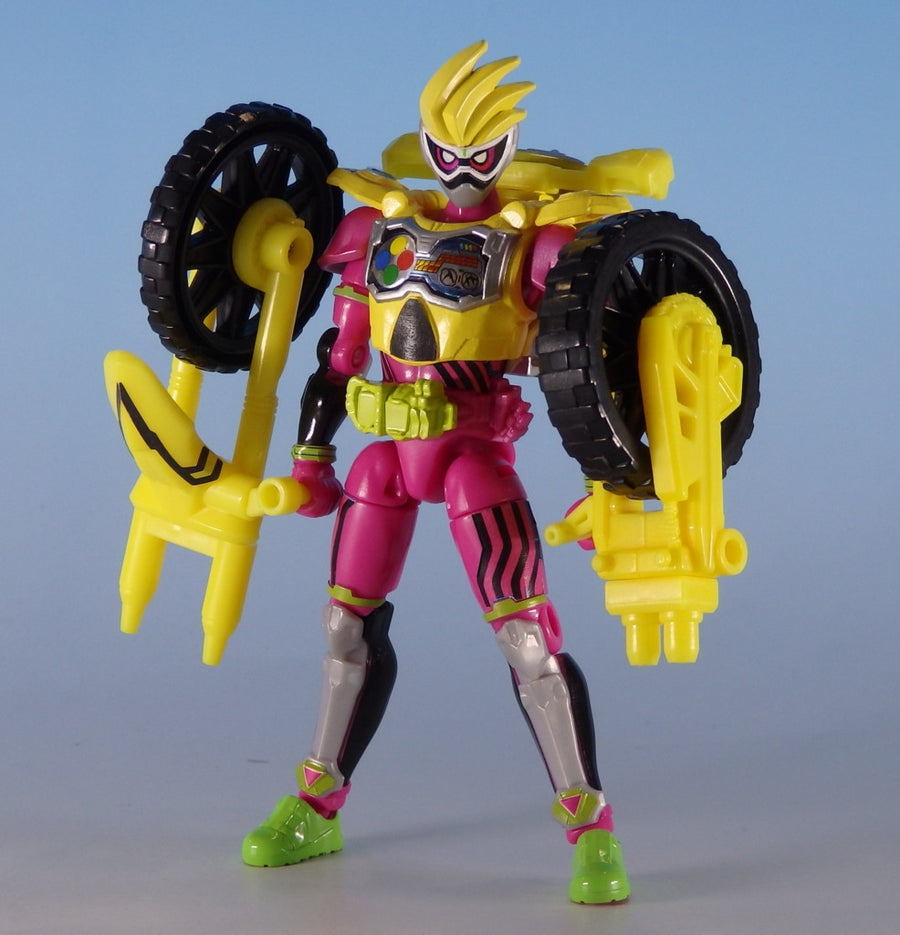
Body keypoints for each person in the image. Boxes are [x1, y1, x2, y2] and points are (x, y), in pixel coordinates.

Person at [241, 40, 629, 904]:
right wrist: (311, 455)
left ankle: (591, 826)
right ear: (425, 145)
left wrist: (607, 483)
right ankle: (317, 800)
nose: (459, 171)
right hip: (385, 458)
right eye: (445, 151)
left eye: (479, 154)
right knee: (342, 628)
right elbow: (338, 358)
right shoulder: (377, 233)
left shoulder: (531, 245)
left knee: (527, 640)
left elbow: (587, 364)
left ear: (505, 149)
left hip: (471, 459)